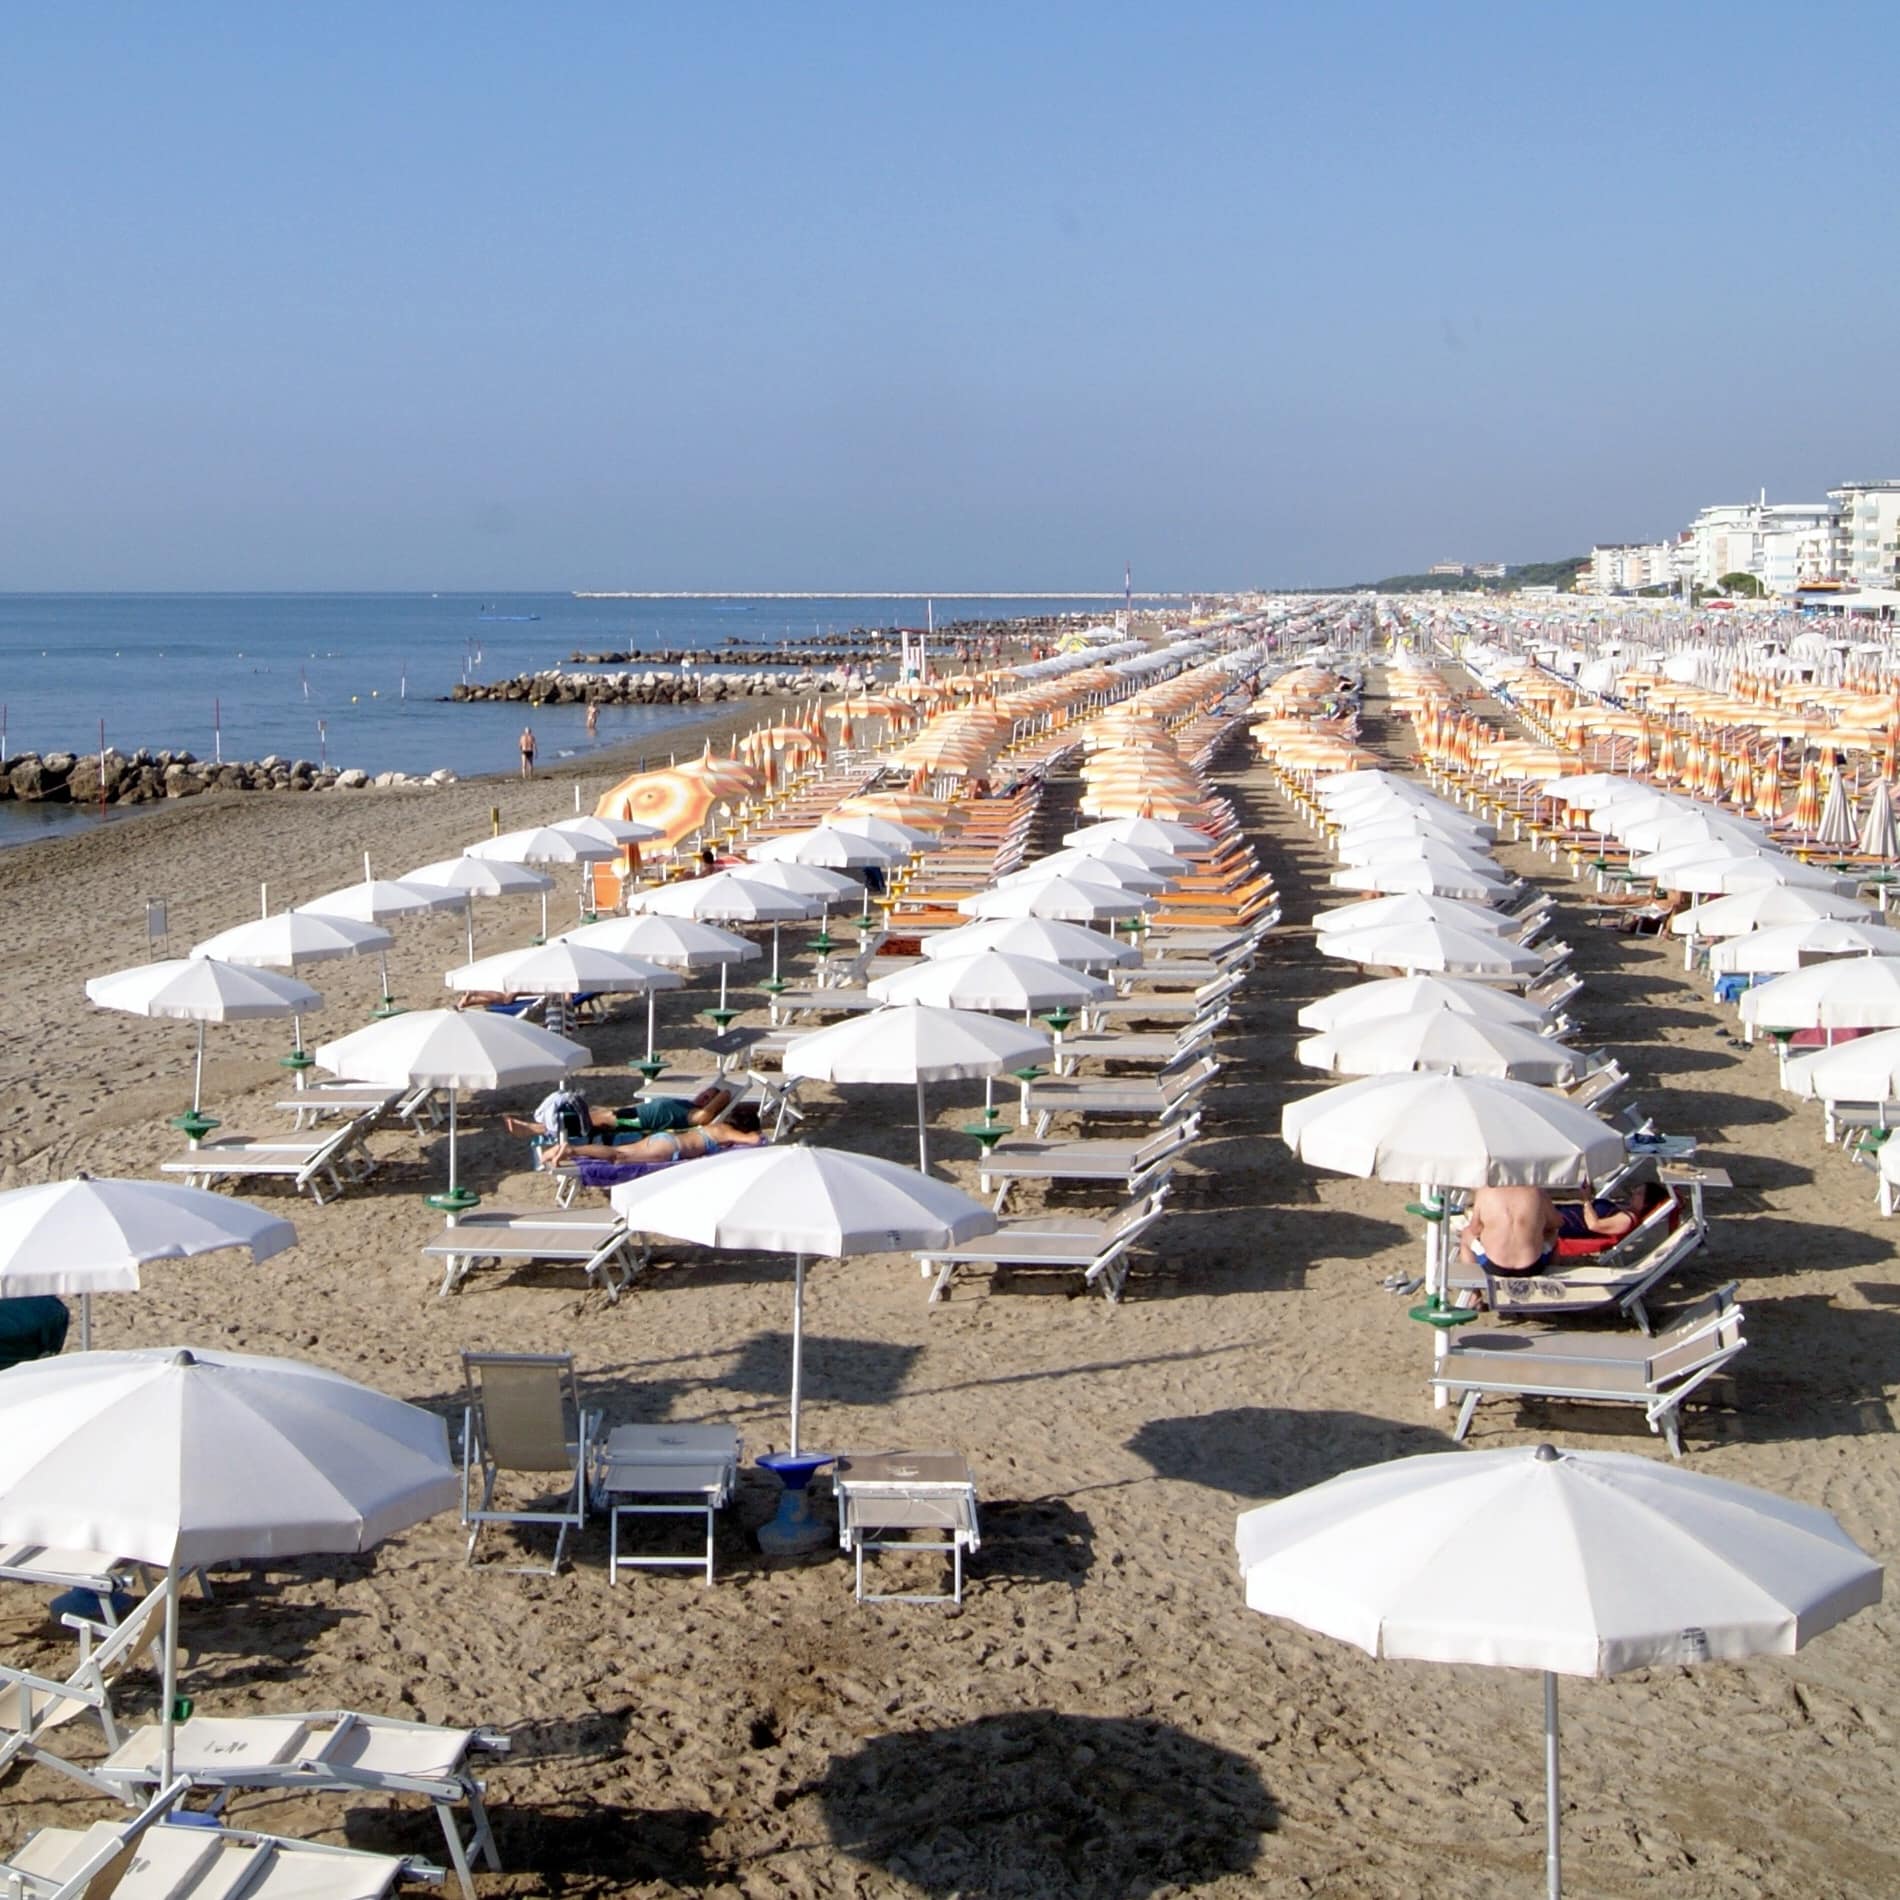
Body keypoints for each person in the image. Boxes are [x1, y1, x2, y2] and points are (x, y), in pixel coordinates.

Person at [545, 1101, 764, 1167]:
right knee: (618, 1156)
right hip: (671, 1149)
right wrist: (757, 1137)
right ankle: (571, 1149)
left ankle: (568, 1149)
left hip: (665, 1139)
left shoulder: (715, 1127)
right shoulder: (726, 1132)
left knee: (617, 1152)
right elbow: (753, 1140)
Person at [504, 1085, 733, 1145]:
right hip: (631, 1111)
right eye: (705, 1093)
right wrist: (717, 1092)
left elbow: (709, 1112)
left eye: (708, 1097)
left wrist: (723, 1093)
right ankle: (539, 1127)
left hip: (636, 1121)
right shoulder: (685, 1104)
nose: (704, 1096)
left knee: (595, 1120)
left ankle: (534, 1129)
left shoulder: (693, 1114)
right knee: (595, 1114)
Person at [1458, 1184, 1562, 1276]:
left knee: (1466, 1233)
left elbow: (1475, 1229)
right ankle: (1552, 1278)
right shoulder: (1536, 1192)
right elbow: (1557, 1223)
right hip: (1533, 1266)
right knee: (1554, 1232)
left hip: (1492, 1265)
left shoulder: (1485, 1192)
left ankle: (1474, 1293)